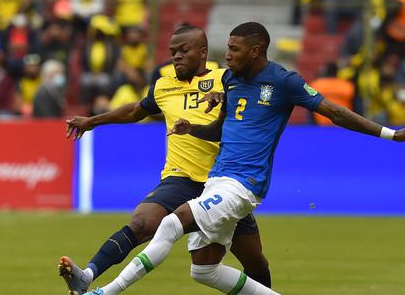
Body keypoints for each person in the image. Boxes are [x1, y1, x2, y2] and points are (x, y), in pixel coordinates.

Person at [82, 22, 405, 295]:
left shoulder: (284, 81)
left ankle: (104, 290)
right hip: (217, 181)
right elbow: (220, 131)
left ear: (256, 50)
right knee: (203, 270)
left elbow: (334, 112)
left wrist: (391, 133)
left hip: (244, 185)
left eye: (234, 50)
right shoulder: (231, 80)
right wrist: (193, 127)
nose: (228, 56)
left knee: (171, 224)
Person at [60, 25, 272, 294]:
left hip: (223, 183)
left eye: (184, 51)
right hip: (180, 178)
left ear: (203, 52)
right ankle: (87, 275)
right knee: (140, 223)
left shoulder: (226, 79)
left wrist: (225, 96)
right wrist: (92, 121)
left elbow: (256, 97)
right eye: (173, 52)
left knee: (254, 263)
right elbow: (135, 111)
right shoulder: (163, 86)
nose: (176, 57)